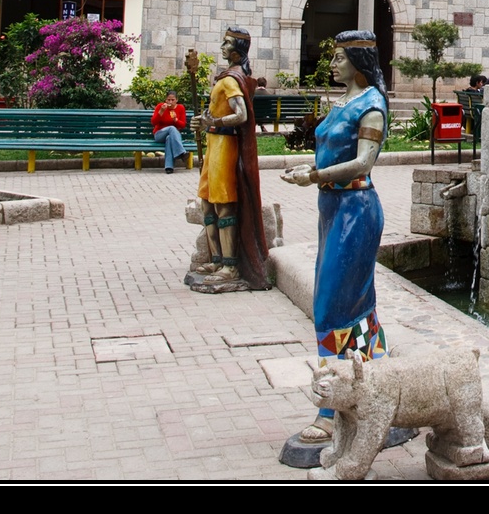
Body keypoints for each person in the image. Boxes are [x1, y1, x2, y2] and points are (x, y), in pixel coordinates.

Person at [282, 29, 389, 446]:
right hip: (333, 210)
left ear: (359, 63)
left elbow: (363, 163)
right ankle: (382, 388)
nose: (331, 64)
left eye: (339, 58)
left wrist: (314, 176)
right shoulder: (344, 101)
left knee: (330, 308)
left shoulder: (371, 105)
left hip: (355, 211)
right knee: (359, 309)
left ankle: (330, 410)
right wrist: (308, 171)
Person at [192, 27, 268, 289]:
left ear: (237, 50)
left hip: (225, 145)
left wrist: (213, 122)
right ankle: (216, 259)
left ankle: (230, 265)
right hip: (214, 144)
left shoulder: (232, 80)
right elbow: (215, 112)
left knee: (223, 204)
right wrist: (202, 121)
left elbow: (241, 115)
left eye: (226, 43)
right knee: (207, 203)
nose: (222, 47)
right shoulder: (225, 78)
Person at [152, 90, 187, 173]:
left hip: (174, 137)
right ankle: (181, 152)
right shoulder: (160, 106)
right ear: (165, 100)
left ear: (176, 100)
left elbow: (183, 125)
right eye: (168, 100)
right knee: (171, 128)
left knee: (169, 138)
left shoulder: (180, 108)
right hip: (159, 134)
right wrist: (161, 111)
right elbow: (153, 122)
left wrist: (176, 120)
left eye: (172, 100)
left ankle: (169, 167)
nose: (170, 102)